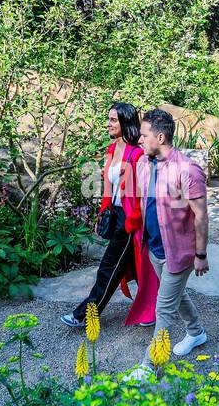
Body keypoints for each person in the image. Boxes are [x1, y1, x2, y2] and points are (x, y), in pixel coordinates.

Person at [61, 103, 158, 329]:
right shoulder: (112, 150)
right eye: (109, 119)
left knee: (109, 267)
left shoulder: (137, 154)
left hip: (129, 220)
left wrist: (131, 223)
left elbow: (141, 194)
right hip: (115, 215)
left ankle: (84, 315)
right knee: (136, 266)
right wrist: (103, 213)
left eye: (113, 120)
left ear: (125, 122)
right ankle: (153, 308)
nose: (109, 124)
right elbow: (108, 187)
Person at [135, 107, 210, 363]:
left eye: (144, 135)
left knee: (163, 309)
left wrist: (201, 254)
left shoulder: (188, 170)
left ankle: (149, 367)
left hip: (179, 251)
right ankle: (196, 332)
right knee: (177, 295)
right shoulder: (145, 164)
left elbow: (201, 215)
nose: (139, 139)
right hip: (155, 248)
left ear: (161, 138)